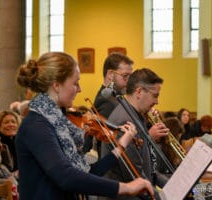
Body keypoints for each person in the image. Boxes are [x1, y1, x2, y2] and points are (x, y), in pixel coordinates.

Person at [15, 52, 154, 200]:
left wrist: (120, 146)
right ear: (56, 85)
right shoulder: (36, 126)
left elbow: (88, 173)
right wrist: (125, 188)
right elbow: (66, 177)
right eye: (75, 83)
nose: (79, 89)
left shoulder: (59, 123)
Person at [101, 68, 169, 200]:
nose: (157, 102)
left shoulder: (136, 115)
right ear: (139, 92)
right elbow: (135, 175)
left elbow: (148, 167)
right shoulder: (125, 120)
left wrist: (172, 185)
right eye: (155, 95)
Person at [91, 52, 134, 157]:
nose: (129, 82)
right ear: (110, 74)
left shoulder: (115, 97)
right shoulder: (106, 101)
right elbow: (106, 145)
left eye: (131, 77)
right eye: (125, 76)